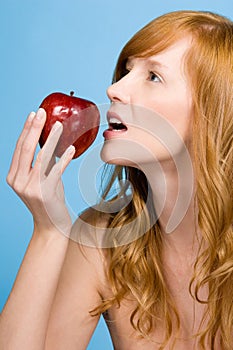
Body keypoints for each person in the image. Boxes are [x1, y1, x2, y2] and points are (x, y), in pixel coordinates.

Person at [0, 9, 233, 350]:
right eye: (126, 70)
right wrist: (48, 232)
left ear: (213, 111)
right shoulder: (103, 239)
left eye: (154, 76)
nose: (114, 89)